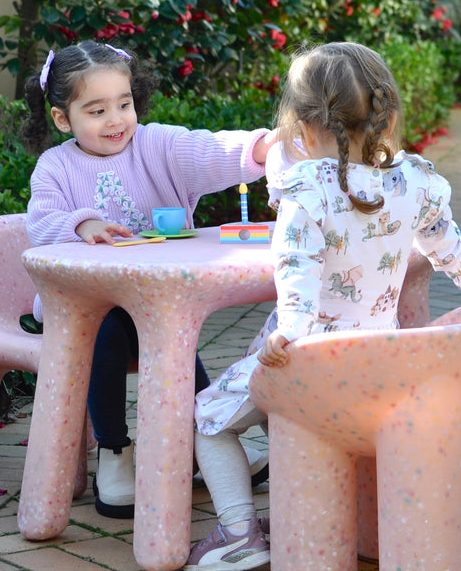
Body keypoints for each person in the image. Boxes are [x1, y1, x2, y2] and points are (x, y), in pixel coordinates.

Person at [184, 41, 461, 571]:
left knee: (210, 421)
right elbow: (451, 248)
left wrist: (288, 332)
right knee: (270, 414)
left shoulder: (304, 192)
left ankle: (239, 531)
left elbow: (296, 276)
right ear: (387, 117)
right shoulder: (412, 182)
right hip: (375, 364)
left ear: (303, 129)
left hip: (308, 362)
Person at [24, 40, 274, 518]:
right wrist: (83, 224)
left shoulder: (157, 145)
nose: (116, 120)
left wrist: (262, 147)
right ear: (63, 119)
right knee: (107, 325)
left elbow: (208, 150)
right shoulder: (55, 167)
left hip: (158, 303)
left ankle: (204, 437)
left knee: (174, 325)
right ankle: (115, 451)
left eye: (124, 103)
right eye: (96, 110)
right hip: (89, 309)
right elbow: (40, 221)